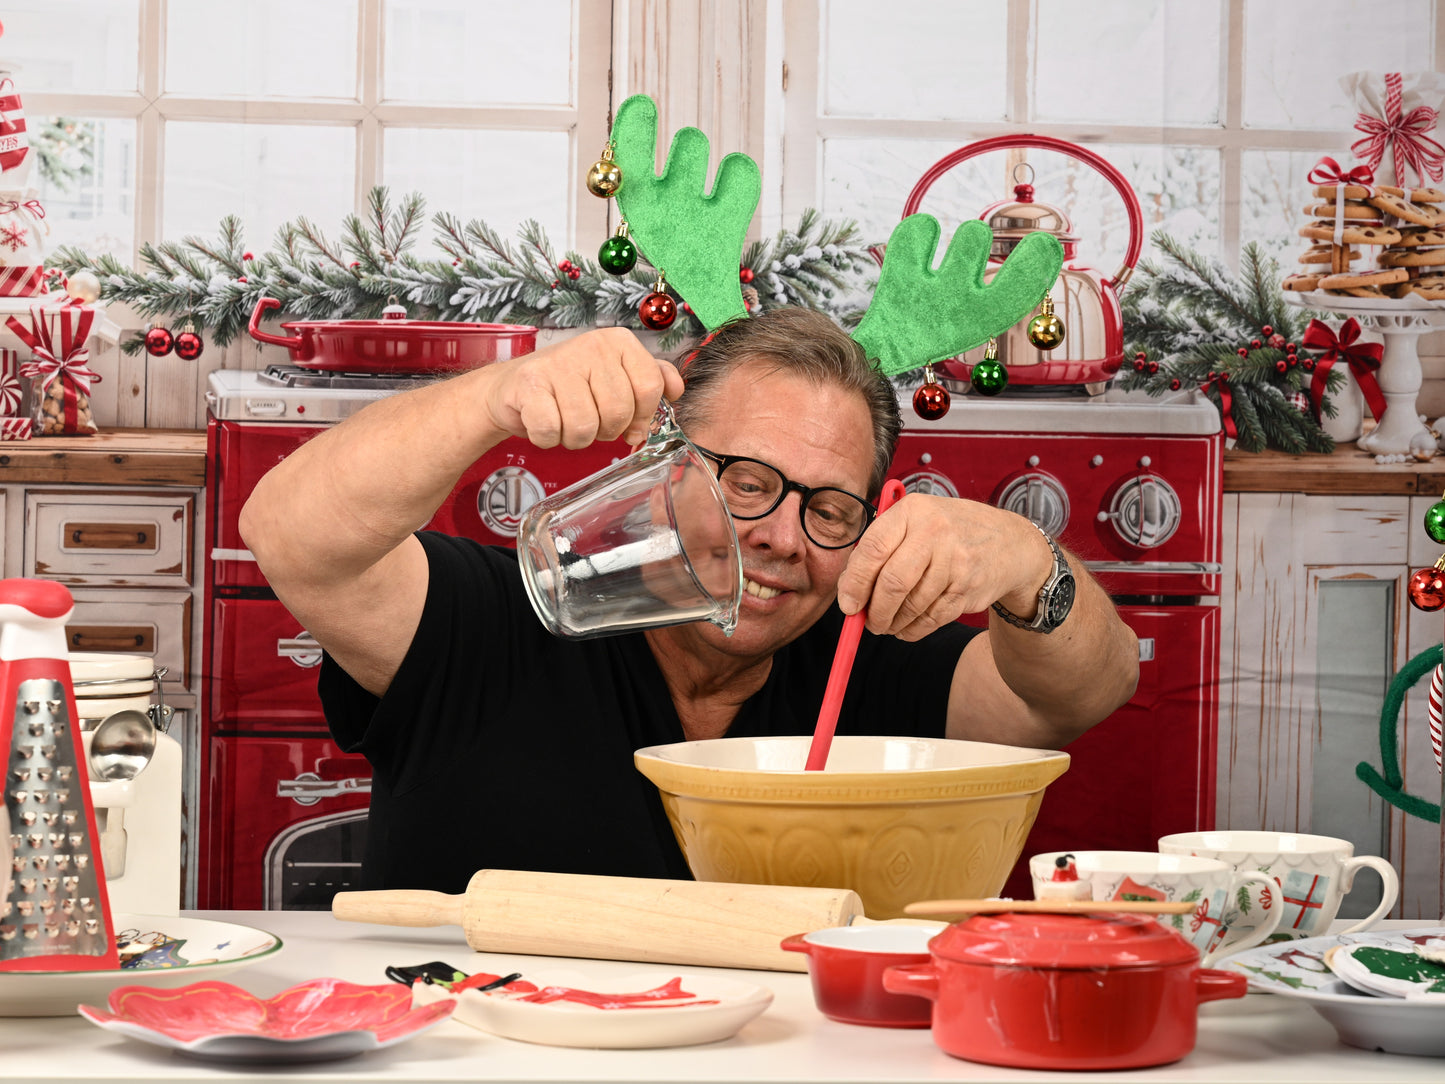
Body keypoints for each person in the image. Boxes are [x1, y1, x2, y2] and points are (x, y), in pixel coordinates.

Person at [240, 307, 1138, 893]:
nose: (783, 536)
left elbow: (1081, 693)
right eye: (745, 482)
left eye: (828, 509)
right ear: (658, 470)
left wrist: (1031, 566)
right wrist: (498, 394)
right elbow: (290, 534)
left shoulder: (879, 665)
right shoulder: (493, 618)